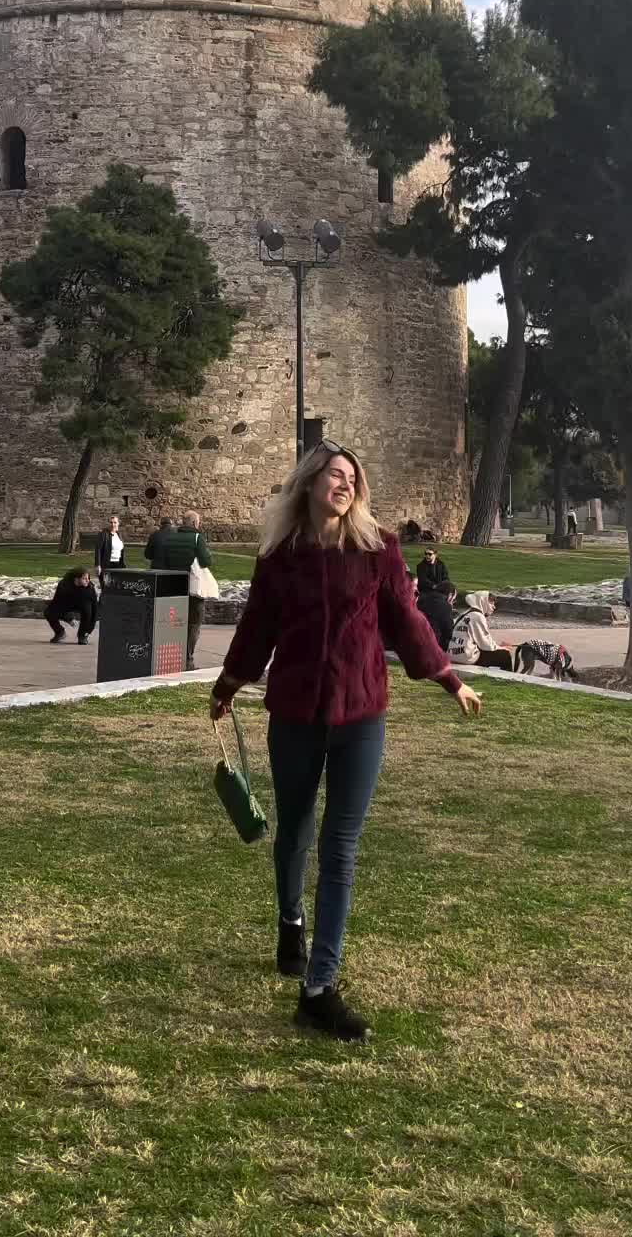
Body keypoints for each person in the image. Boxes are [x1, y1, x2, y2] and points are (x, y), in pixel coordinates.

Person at [209, 441, 481, 1042]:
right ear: (309, 483)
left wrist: (447, 677)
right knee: (296, 830)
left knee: (341, 845)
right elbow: (258, 626)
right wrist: (229, 682)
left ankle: (320, 987)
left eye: (353, 477)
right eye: (335, 474)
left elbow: (407, 622)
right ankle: (290, 921)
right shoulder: (281, 554)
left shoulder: (378, 548)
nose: (345, 484)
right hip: (297, 712)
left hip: (361, 713)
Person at [149, 509, 214, 668]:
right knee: (194, 623)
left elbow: (163, 560)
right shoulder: (198, 537)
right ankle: (188, 659)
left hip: (175, 586)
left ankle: (171, 657)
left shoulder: (171, 537)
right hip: (192, 587)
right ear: (194, 523)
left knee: (175, 624)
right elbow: (205, 562)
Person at [450, 591, 515, 671]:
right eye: (491, 603)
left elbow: (481, 641)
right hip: (465, 657)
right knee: (505, 655)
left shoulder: (466, 613)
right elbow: (485, 644)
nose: (494, 607)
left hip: (453, 654)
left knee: (489, 653)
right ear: (482, 601)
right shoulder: (478, 616)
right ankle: (508, 680)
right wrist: (501, 648)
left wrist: (497, 646)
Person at [44, 567, 98, 643]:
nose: (88, 580)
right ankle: (60, 632)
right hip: (67, 604)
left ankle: (82, 636)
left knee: (87, 610)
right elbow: (56, 604)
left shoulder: (90, 588)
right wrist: (68, 618)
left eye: (88, 578)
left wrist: (88, 631)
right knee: (48, 612)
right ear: (76, 579)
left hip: (83, 604)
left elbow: (94, 609)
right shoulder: (63, 585)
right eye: (84, 578)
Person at [94, 514, 126, 594]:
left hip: (118, 565)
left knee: (116, 587)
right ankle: (102, 604)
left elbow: (121, 550)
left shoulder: (119, 534)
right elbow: (98, 549)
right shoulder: (103, 534)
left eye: (115, 522)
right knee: (106, 588)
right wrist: (98, 565)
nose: (113, 524)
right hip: (106, 564)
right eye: (111, 522)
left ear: (118, 523)